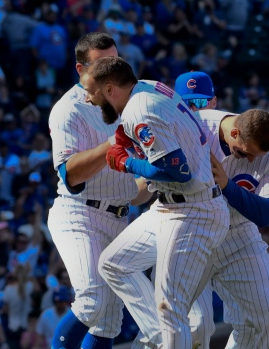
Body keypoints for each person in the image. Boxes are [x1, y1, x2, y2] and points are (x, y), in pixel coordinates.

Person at [83, 57, 229, 349]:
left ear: (110, 89)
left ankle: (166, 337)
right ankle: (158, 337)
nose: (88, 98)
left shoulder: (141, 110)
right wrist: (131, 140)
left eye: (92, 91)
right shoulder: (147, 86)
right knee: (114, 264)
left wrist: (127, 163)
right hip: (171, 204)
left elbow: (180, 173)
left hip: (193, 209)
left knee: (170, 306)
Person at [179, 71, 269, 348]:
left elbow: (265, 214)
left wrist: (227, 185)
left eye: (200, 103)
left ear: (214, 100)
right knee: (192, 327)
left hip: (238, 234)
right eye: (188, 104)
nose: (251, 159)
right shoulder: (192, 127)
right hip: (190, 231)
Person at [47, 33, 142, 349]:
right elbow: (70, 174)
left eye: (116, 61)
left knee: (109, 321)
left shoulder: (128, 100)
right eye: (102, 63)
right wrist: (111, 144)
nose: (111, 69)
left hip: (119, 216)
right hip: (80, 213)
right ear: (80, 69)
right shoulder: (69, 109)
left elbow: (132, 189)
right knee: (91, 300)